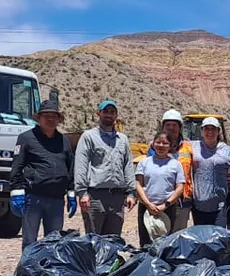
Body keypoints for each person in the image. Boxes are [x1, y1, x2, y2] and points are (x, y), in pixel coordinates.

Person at [9, 98, 76, 250]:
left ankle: (48, 266)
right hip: (33, 198)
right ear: (39, 118)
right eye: (47, 116)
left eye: (54, 116)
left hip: (57, 200)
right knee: (29, 241)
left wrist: (71, 193)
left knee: (54, 243)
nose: (50, 119)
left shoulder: (64, 141)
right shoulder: (25, 138)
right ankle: (28, 266)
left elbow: (71, 168)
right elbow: (17, 166)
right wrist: (16, 191)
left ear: (58, 119)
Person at [74, 100, 137, 236]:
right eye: (105, 111)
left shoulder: (123, 140)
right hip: (95, 197)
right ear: (99, 113)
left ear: (116, 115)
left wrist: (131, 192)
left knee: (113, 239)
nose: (109, 115)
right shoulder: (89, 137)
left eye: (112, 112)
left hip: (117, 198)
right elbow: (81, 165)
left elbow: (128, 166)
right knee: (94, 238)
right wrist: (82, 193)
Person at [136, 132, 186, 247]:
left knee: (166, 243)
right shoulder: (144, 163)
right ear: (153, 144)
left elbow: (180, 187)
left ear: (170, 146)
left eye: (165, 143)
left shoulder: (176, 164)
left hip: (167, 208)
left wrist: (165, 204)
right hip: (146, 208)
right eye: (158, 142)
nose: (161, 145)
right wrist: (148, 204)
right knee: (145, 242)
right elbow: (138, 184)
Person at [149, 109, 194, 232]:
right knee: (159, 235)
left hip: (182, 200)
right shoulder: (155, 147)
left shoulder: (188, 147)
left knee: (178, 235)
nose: (171, 128)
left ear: (180, 127)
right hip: (160, 200)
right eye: (168, 125)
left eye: (174, 125)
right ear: (163, 127)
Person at [190, 116, 230, 226]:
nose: (210, 132)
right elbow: (173, 147)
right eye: (206, 129)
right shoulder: (193, 147)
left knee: (217, 236)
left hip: (219, 207)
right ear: (201, 131)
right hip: (198, 206)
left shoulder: (227, 151)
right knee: (201, 236)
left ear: (218, 131)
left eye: (213, 129)